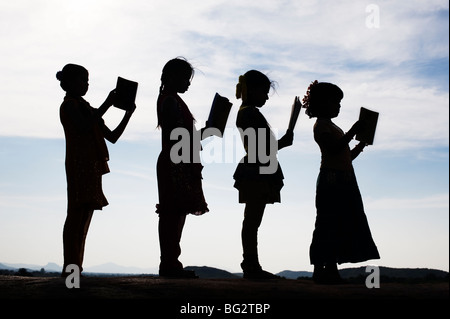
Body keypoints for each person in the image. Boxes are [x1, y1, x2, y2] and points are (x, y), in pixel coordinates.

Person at [57, 63, 135, 276]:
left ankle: (75, 268)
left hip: (91, 166)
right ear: (70, 82)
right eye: (83, 80)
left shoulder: (89, 109)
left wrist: (128, 114)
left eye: (87, 80)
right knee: (75, 216)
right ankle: (70, 268)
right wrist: (108, 104)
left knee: (84, 217)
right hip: (78, 164)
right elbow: (83, 126)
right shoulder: (69, 106)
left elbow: (112, 137)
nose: (86, 84)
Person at [302, 80, 380, 284]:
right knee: (327, 223)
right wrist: (353, 131)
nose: (338, 106)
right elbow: (334, 149)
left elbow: (344, 155)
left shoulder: (331, 126)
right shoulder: (321, 126)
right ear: (322, 103)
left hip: (343, 179)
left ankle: (331, 269)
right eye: (335, 102)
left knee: (338, 224)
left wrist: (360, 145)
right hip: (331, 180)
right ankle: (320, 269)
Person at [233, 70, 294, 279]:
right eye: (264, 92)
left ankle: (251, 263)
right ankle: (251, 265)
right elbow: (263, 147)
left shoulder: (246, 111)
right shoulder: (249, 113)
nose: (266, 97)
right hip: (256, 170)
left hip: (255, 167)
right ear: (252, 90)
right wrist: (283, 143)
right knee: (252, 220)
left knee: (252, 219)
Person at [156, 57, 209, 278]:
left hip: (178, 161)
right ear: (172, 77)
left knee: (176, 211)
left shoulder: (171, 99)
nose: (188, 83)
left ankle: (171, 261)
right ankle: (168, 263)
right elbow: (180, 137)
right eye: (185, 79)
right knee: (172, 211)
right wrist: (207, 132)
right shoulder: (170, 101)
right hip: (174, 162)